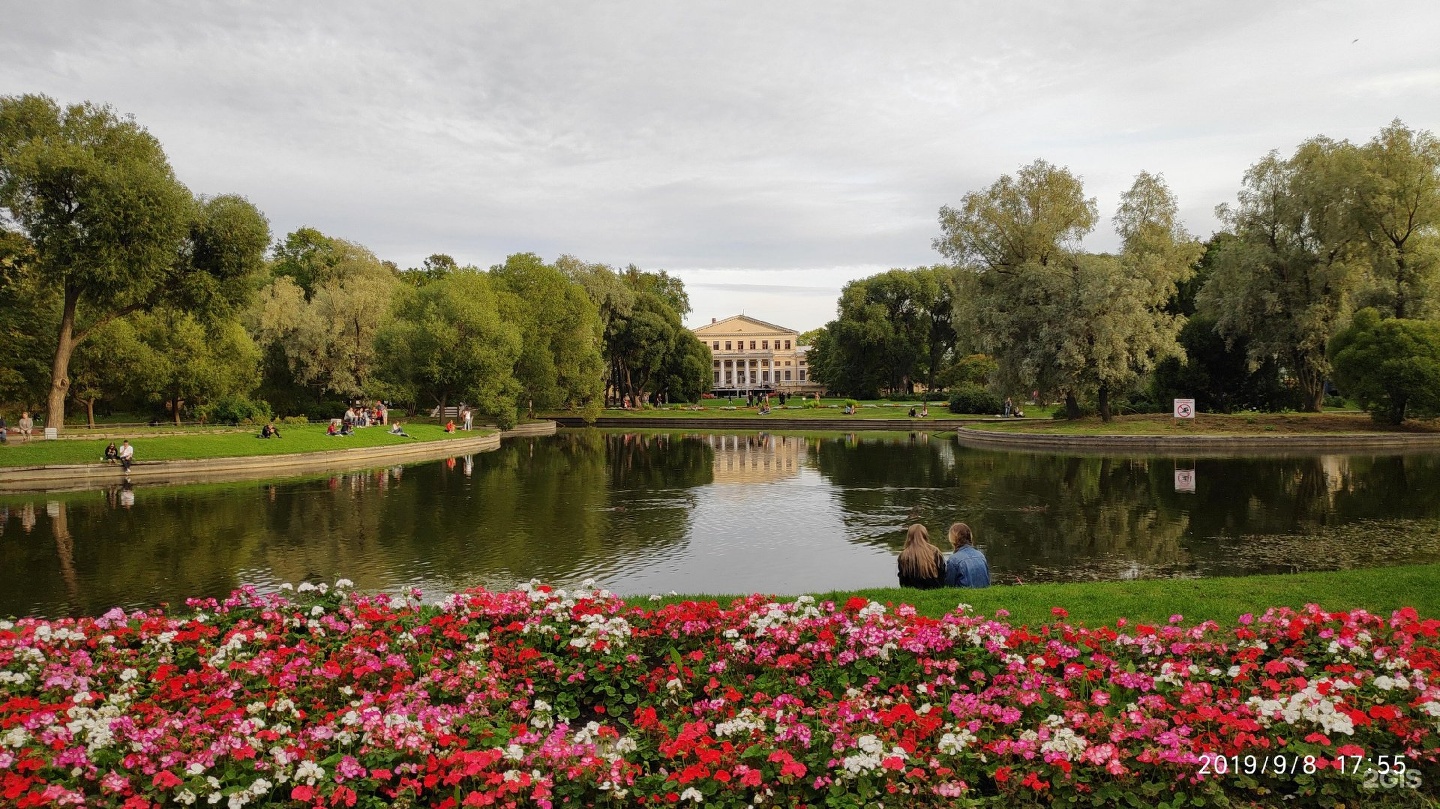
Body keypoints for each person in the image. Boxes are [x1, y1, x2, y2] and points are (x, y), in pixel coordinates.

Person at [897, 524, 946, 589]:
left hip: (913, 590)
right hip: (935, 588)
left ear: (909, 537)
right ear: (925, 535)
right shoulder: (935, 552)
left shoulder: (903, 555)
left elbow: (903, 580)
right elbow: (942, 573)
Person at [944, 522, 990, 588]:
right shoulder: (980, 555)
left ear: (952, 538)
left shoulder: (954, 560)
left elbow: (949, 586)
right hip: (984, 593)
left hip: (964, 595)